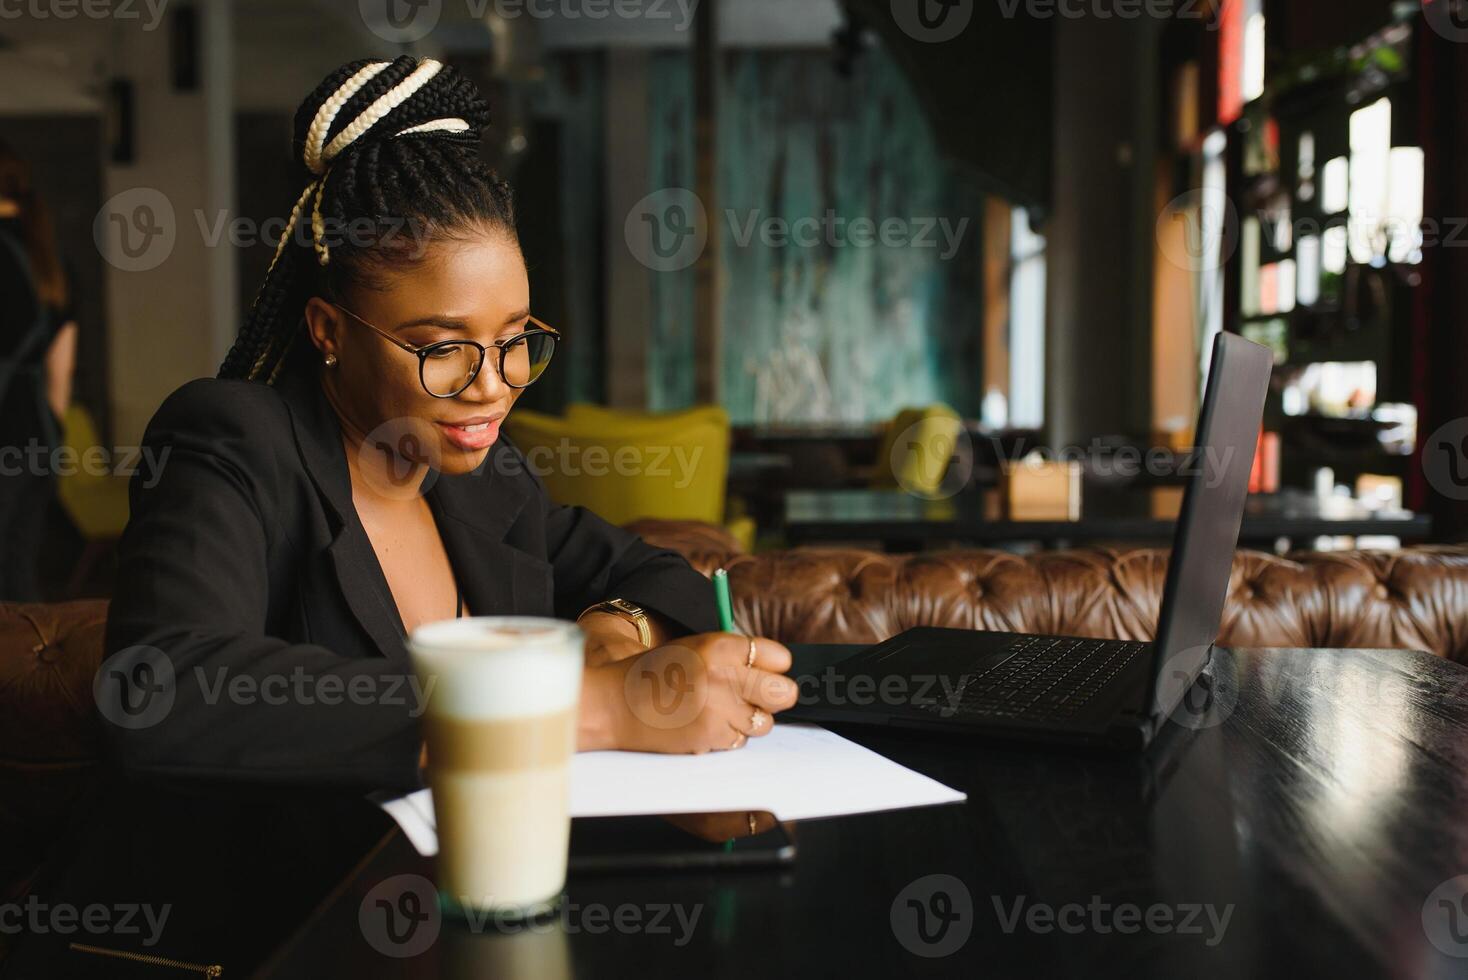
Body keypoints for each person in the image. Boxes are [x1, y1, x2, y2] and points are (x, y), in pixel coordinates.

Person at [102, 57, 798, 790]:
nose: (492, 388)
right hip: (293, 890)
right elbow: (162, 687)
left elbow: (655, 573)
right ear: (329, 330)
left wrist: (614, 633)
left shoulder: (480, 478)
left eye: (514, 341)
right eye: (442, 350)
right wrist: (588, 707)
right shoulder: (233, 440)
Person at [0, 140, 77, 601]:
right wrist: (53, 431)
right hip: (37, 433)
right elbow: (61, 366)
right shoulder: (50, 259)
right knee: (18, 568)